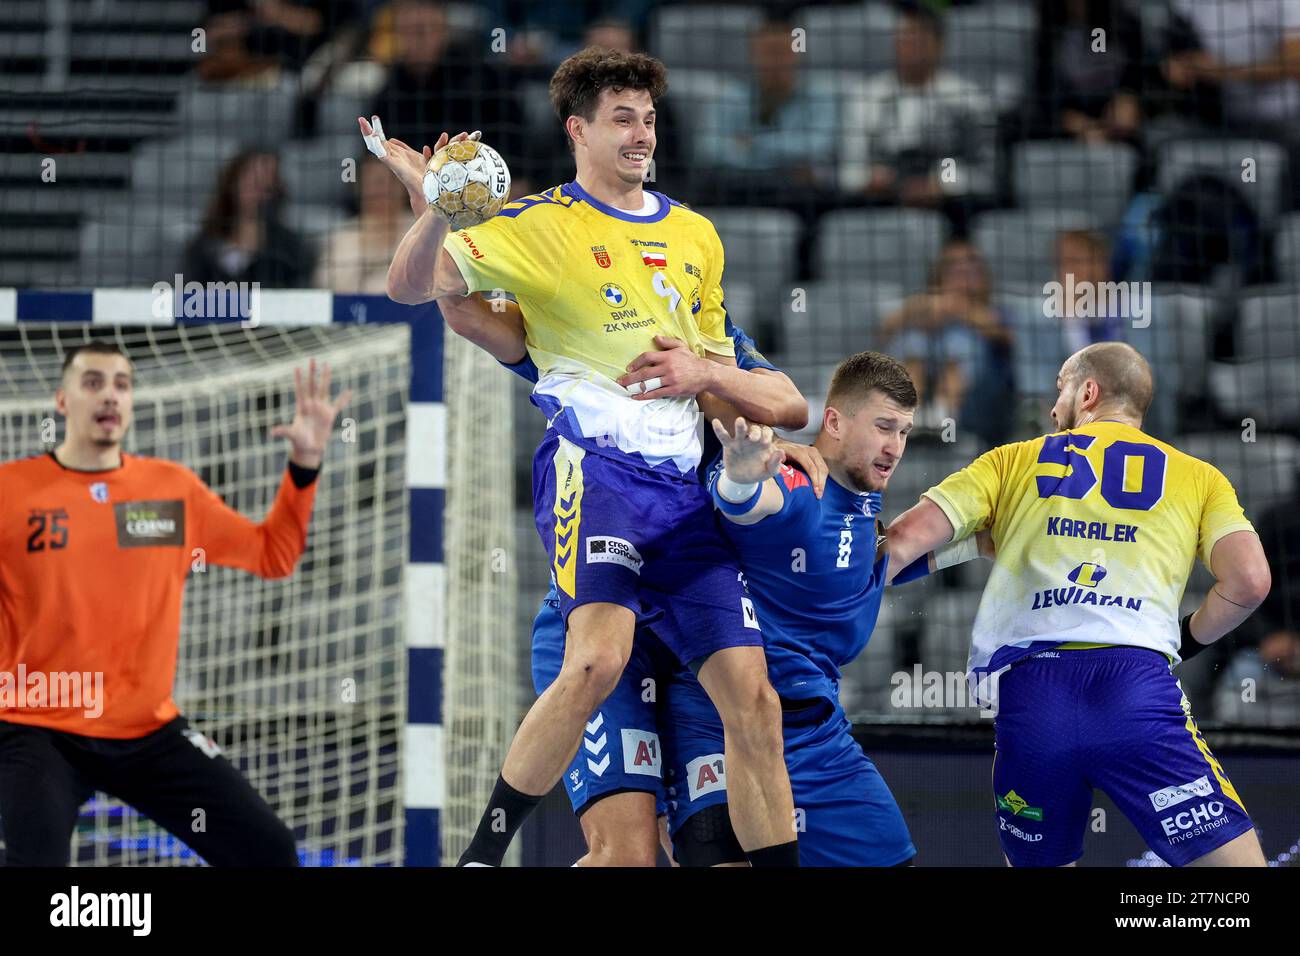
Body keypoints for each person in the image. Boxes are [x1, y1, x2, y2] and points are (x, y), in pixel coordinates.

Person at [367, 44, 800, 866]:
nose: (641, 134)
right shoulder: (538, 225)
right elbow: (411, 288)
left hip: (684, 490)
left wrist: (737, 412)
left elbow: (729, 372)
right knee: (596, 661)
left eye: (649, 118)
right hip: (596, 470)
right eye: (622, 119)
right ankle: (481, 856)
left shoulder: (695, 234)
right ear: (579, 130)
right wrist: (432, 205)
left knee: (757, 701)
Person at [437, 290, 810, 866]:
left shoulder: (706, 328)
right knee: (625, 856)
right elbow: (463, 308)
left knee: (721, 845)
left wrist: (710, 377)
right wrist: (437, 214)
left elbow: (786, 405)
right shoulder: (577, 317)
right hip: (619, 620)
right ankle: (482, 856)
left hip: (692, 637)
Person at [886, 341, 1270, 866]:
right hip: (1135, 688)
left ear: (1087, 392)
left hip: (1032, 697)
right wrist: (1189, 637)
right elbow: (1249, 582)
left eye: (1059, 389)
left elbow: (901, 543)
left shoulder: (1013, 460)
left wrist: (969, 544)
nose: (1051, 408)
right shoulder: (1198, 477)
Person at [0, 344, 351, 866]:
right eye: (93, 382)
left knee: (269, 851)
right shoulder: (12, 491)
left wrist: (304, 465)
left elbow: (272, 554)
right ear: (61, 400)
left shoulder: (168, 491)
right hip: (37, 727)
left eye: (122, 384)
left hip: (146, 731)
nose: (110, 395)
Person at [837, 4, 996, 231]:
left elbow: (985, 173)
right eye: (904, 37)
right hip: (881, 206)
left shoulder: (968, 99)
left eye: (919, 38)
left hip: (951, 209)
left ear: (940, 44)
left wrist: (941, 183)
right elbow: (849, 172)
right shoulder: (866, 97)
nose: (910, 46)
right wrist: (873, 179)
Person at [880, 239, 1010, 436]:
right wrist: (924, 308)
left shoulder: (994, 309)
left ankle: (941, 416)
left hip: (978, 392)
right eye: (954, 270)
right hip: (919, 369)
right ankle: (909, 415)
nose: (963, 278)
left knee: (961, 343)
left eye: (971, 270)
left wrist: (959, 308)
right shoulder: (922, 305)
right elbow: (885, 329)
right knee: (912, 342)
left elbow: (1004, 334)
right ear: (939, 275)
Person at [184, 150, 317, 289]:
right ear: (233, 183)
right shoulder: (204, 246)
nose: (258, 192)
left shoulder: (291, 249)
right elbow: (189, 298)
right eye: (251, 182)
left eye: (266, 186)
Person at [313, 157, 414, 292]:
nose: (383, 189)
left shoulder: (423, 227)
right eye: (375, 183)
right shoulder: (342, 237)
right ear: (359, 189)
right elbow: (327, 287)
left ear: (403, 186)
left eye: (391, 181)